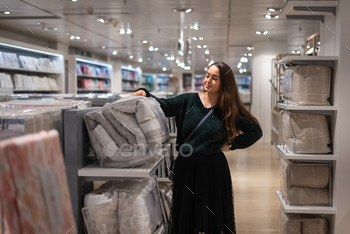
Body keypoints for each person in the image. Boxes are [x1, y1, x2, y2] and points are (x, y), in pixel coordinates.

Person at [132, 61, 263, 234]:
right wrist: (146, 93)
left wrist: (231, 144)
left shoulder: (228, 109)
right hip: (187, 167)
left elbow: (255, 131)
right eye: (207, 75)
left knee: (211, 216)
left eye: (214, 78)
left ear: (224, 83)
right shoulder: (188, 101)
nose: (208, 80)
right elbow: (163, 106)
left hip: (213, 169)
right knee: (186, 213)